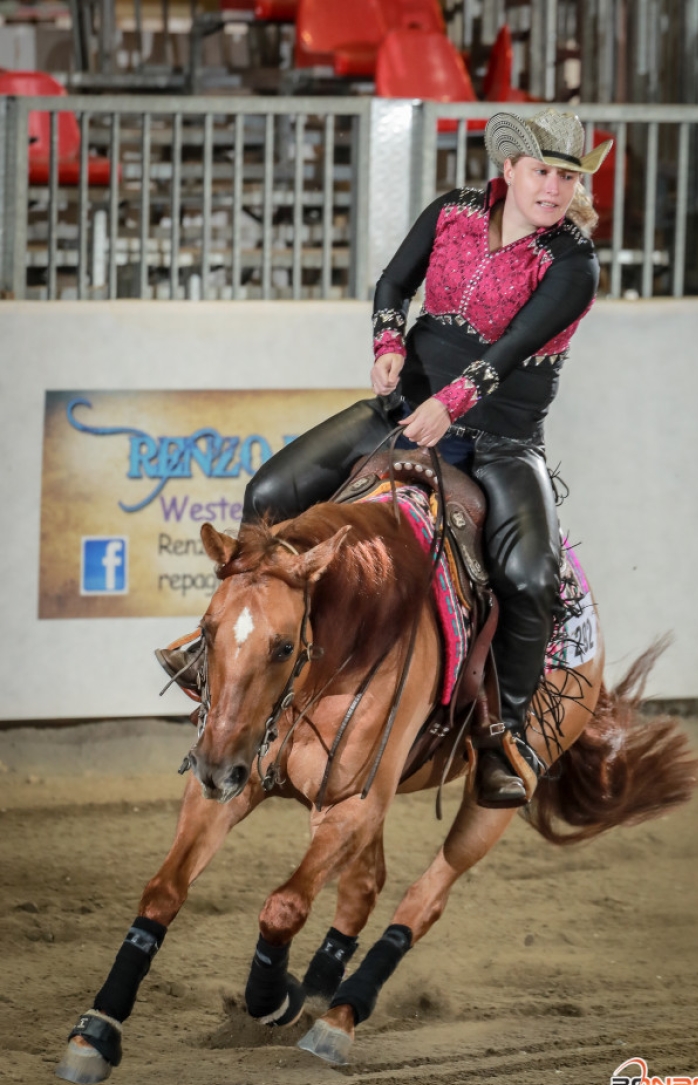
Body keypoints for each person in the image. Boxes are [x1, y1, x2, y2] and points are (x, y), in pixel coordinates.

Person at [162, 108, 612, 810]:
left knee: (531, 571)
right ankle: (212, 648)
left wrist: (449, 405)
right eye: (541, 171)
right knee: (270, 489)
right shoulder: (452, 214)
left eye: (565, 176)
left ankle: (504, 734)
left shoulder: (573, 262)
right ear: (510, 170)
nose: (553, 188)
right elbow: (392, 286)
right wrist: (387, 344)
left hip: (502, 442)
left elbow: (511, 350)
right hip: (402, 410)